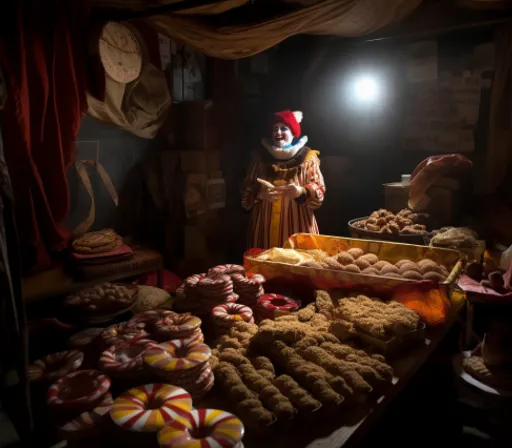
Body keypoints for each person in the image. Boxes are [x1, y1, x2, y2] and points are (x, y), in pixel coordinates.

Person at [242, 110, 325, 249]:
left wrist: (301, 192)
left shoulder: (308, 159)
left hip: (298, 233)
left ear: (293, 132)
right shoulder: (260, 160)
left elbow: (319, 195)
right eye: (275, 129)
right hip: (264, 233)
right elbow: (245, 197)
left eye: (284, 128)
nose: (278, 133)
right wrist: (259, 195)